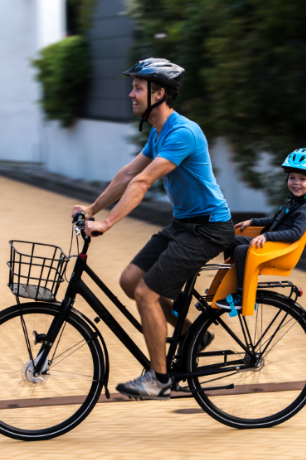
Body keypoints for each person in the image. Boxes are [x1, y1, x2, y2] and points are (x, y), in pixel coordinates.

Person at [72, 58, 234, 400]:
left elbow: (144, 181)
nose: (131, 94)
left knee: (146, 293)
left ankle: (159, 379)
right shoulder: (160, 134)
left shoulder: (183, 132)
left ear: (159, 93)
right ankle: (194, 336)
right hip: (184, 225)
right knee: (130, 281)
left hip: (209, 229)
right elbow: (128, 174)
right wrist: (91, 208)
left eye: (137, 88)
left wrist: (106, 224)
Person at [216, 148, 306, 310]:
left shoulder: (305, 208)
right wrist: (252, 221)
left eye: (302, 179)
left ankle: (242, 295)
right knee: (231, 240)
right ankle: (230, 282)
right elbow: (276, 219)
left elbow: (296, 232)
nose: (296, 182)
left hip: (280, 249)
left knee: (242, 251)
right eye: (292, 178)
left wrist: (268, 237)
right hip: (273, 244)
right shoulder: (294, 202)